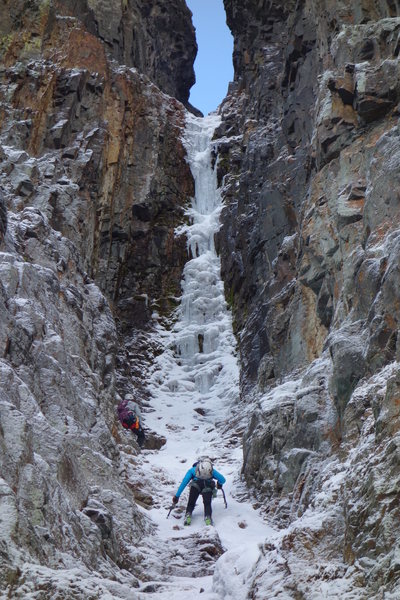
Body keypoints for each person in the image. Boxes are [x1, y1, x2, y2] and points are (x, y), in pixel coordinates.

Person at [172, 457, 226, 526]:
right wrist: (219, 484)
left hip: (195, 486)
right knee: (207, 504)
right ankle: (208, 518)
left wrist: (177, 496)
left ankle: (188, 515)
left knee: (191, 502)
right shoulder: (212, 471)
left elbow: (184, 483)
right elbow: (223, 479)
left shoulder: (192, 470)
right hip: (207, 487)